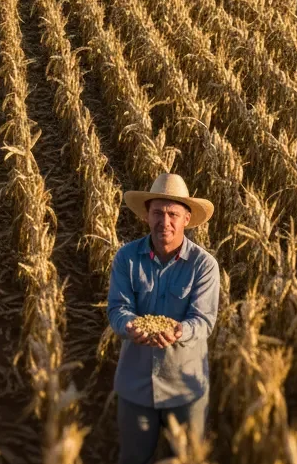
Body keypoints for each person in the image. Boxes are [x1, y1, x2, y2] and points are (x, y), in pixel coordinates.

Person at [107, 173, 220, 464]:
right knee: (133, 458)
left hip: (185, 389)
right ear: (147, 216)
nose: (164, 222)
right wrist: (130, 326)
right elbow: (118, 309)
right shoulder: (126, 258)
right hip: (136, 386)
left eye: (172, 214)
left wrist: (180, 331)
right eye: (157, 213)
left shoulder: (204, 265)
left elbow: (203, 320)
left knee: (185, 459)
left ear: (186, 219)